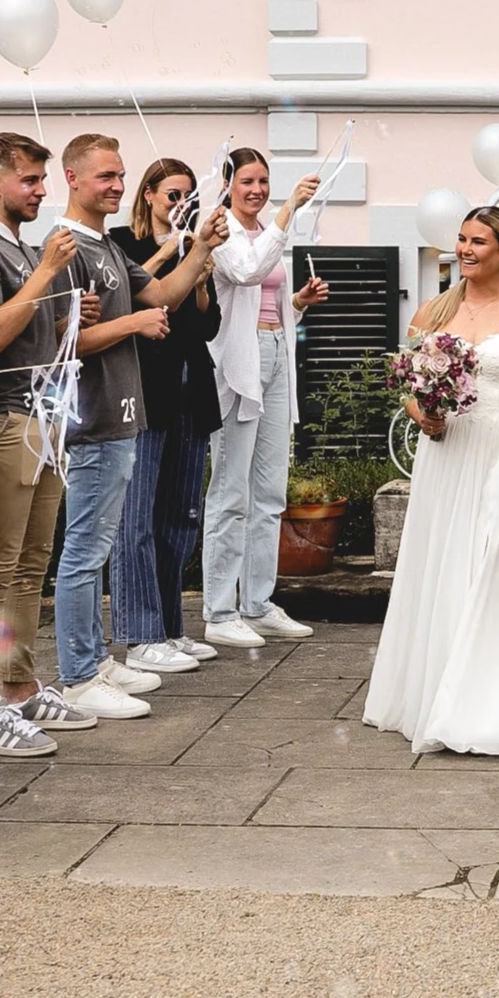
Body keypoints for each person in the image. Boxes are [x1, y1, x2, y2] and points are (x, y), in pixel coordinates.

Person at [364, 206, 499, 755]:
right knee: (449, 564)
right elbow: (406, 382)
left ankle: (497, 703)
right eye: (461, 239)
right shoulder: (433, 311)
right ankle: (439, 691)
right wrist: (420, 414)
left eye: (479, 241)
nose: (465, 249)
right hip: (450, 450)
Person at [49, 134, 226, 720]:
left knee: (102, 543)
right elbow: (60, 341)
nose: (117, 185)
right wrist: (132, 324)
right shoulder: (67, 246)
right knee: (87, 551)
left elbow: (166, 296)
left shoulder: (107, 248)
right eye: (106, 176)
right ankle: (78, 673)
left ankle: (96, 661)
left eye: (121, 175)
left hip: (127, 411)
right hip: (94, 417)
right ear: (73, 178)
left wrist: (199, 249)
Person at [0, 138, 100, 757]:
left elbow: (28, 330)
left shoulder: (20, 246)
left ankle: (20, 685)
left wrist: (66, 319)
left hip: (39, 419)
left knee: (30, 566)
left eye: (40, 180)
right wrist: (47, 274)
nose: (41, 191)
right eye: (31, 181)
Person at [203, 150, 327, 648]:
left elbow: (268, 293)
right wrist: (288, 209)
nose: (257, 189)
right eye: (247, 181)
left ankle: (257, 602)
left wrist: (298, 302)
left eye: (264, 182)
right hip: (240, 357)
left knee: (271, 488)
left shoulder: (265, 231)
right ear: (229, 184)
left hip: (276, 348)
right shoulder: (220, 229)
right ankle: (218, 609)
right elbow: (246, 274)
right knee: (231, 490)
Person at [109, 158, 223, 674]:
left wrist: (200, 276)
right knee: (137, 516)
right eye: (173, 195)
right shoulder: (121, 243)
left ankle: (171, 627)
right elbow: (128, 297)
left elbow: (207, 326)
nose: (181, 205)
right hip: (143, 391)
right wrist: (171, 254)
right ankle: (138, 633)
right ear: (149, 195)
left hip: (189, 391)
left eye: (187, 196)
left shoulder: (195, 248)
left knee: (180, 514)